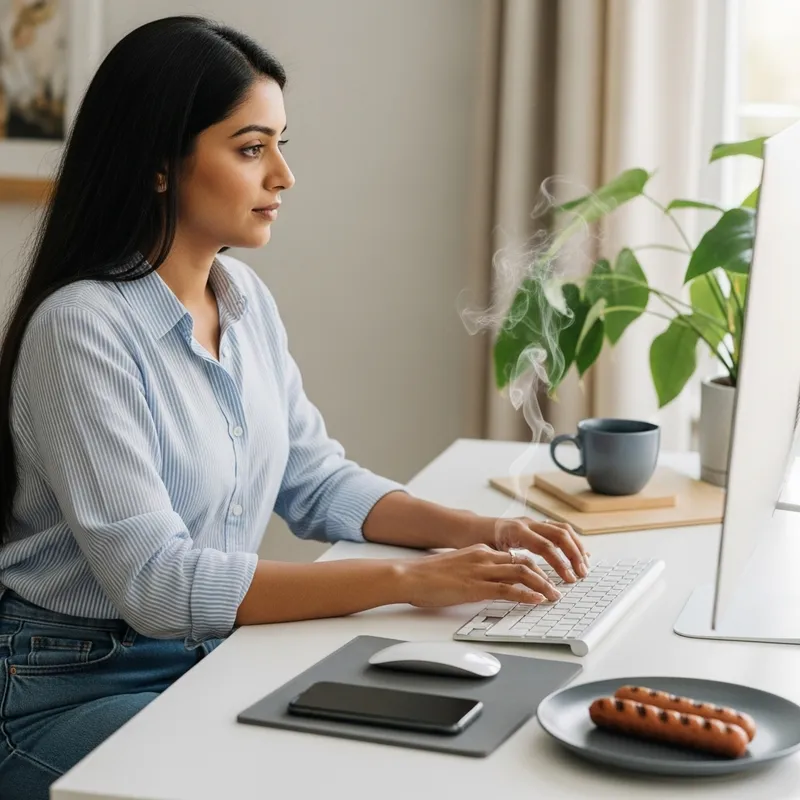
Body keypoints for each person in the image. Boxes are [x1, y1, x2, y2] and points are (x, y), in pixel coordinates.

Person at [0, 16, 589, 799]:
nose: (283, 175)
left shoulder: (243, 300)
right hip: (71, 687)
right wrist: (410, 581)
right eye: (251, 149)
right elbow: (158, 584)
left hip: (213, 656)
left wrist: (481, 532)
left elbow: (313, 479)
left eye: (281, 144)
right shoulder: (80, 331)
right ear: (159, 166)